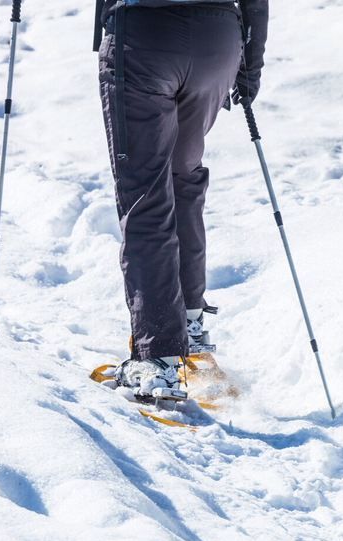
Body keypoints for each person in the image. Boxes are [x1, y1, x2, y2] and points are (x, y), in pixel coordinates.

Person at [94, 0, 268, 397]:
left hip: (144, 38)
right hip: (218, 41)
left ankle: (158, 356)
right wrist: (249, 64)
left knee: (146, 193)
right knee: (182, 175)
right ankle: (188, 320)